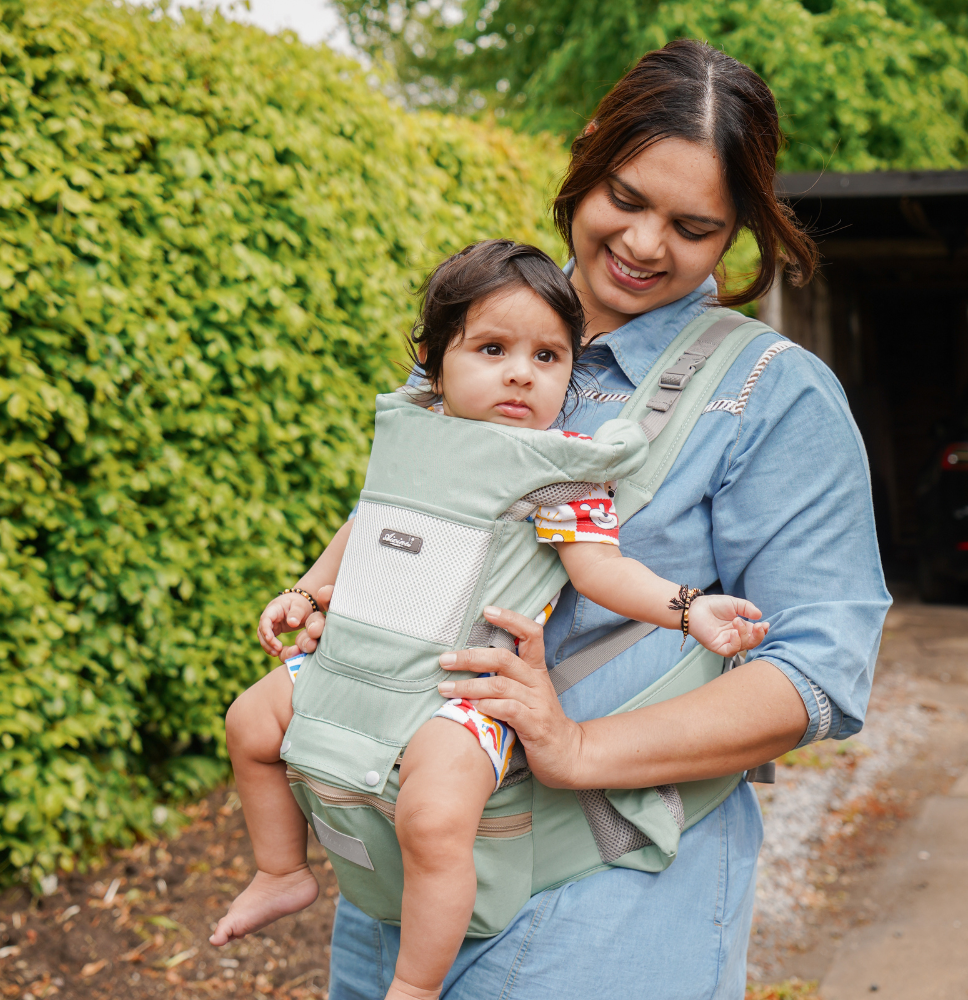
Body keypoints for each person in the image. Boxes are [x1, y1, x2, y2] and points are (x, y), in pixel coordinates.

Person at [256, 39, 891, 998]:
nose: (643, 245)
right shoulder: (485, 326)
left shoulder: (773, 396)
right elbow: (400, 513)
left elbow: (817, 671)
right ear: (587, 158)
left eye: (693, 225)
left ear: (739, 232)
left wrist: (579, 748)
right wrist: (324, 598)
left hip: (603, 900)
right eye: (626, 199)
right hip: (394, 878)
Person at [211, 239, 771, 1000]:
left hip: (455, 695)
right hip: (351, 669)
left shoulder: (556, 466)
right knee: (249, 723)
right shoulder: (412, 433)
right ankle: (280, 871)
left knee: (436, 817)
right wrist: (308, 594)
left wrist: (689, 608)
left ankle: (413, 982)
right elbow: (365, 522)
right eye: (493, 348)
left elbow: (603, 572)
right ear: (434, 360)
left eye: (548, 357)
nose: (521, 372)